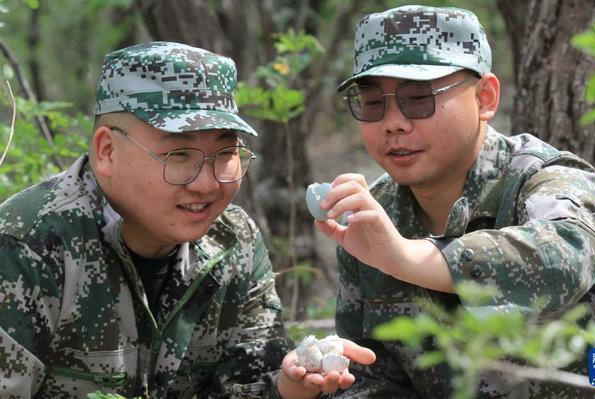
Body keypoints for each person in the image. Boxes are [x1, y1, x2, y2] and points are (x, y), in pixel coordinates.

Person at [0, 41, 374, 398]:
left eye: (226, 152)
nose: (207, 184)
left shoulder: (233, 239)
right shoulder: (26, 247)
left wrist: (290, 387)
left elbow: (245, 385)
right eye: (179, 154)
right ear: (107, 151)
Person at [314, 5, 595, 398]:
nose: (393, 123)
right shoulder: (374, 212)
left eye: (418, 98)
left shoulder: (543, 176)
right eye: (372, 103)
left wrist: (408, 257)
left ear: (484, 98)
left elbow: (564, 258)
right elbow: (373, 377)